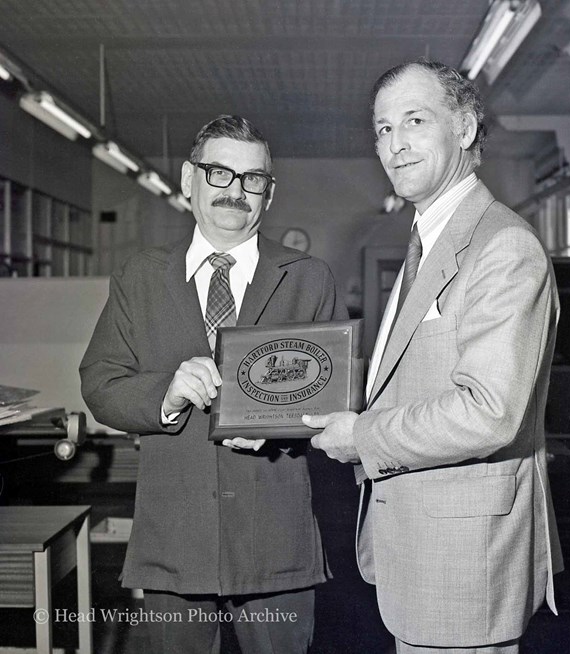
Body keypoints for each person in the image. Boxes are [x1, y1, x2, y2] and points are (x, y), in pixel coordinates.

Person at [304, 61, 564, 653]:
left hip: (465, 565)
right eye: (382, 129)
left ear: (466, 128)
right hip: (425, 554)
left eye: (415, 121)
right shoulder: (430, 240)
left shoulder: (502, 247)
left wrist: (364, 436)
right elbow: (406, 381)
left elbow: (489, 412)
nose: (394, 145)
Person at [80, 115, 347, 653]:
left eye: (253, 179)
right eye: (219, 173)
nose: (235, 192)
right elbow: (100, 382)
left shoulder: (308, 277)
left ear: (268, 194)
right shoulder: (141, 276)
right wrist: (166, 393)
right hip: (173, 541)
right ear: (188, 178)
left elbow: (337, 399)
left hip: (276, 546)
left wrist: (279, 430)